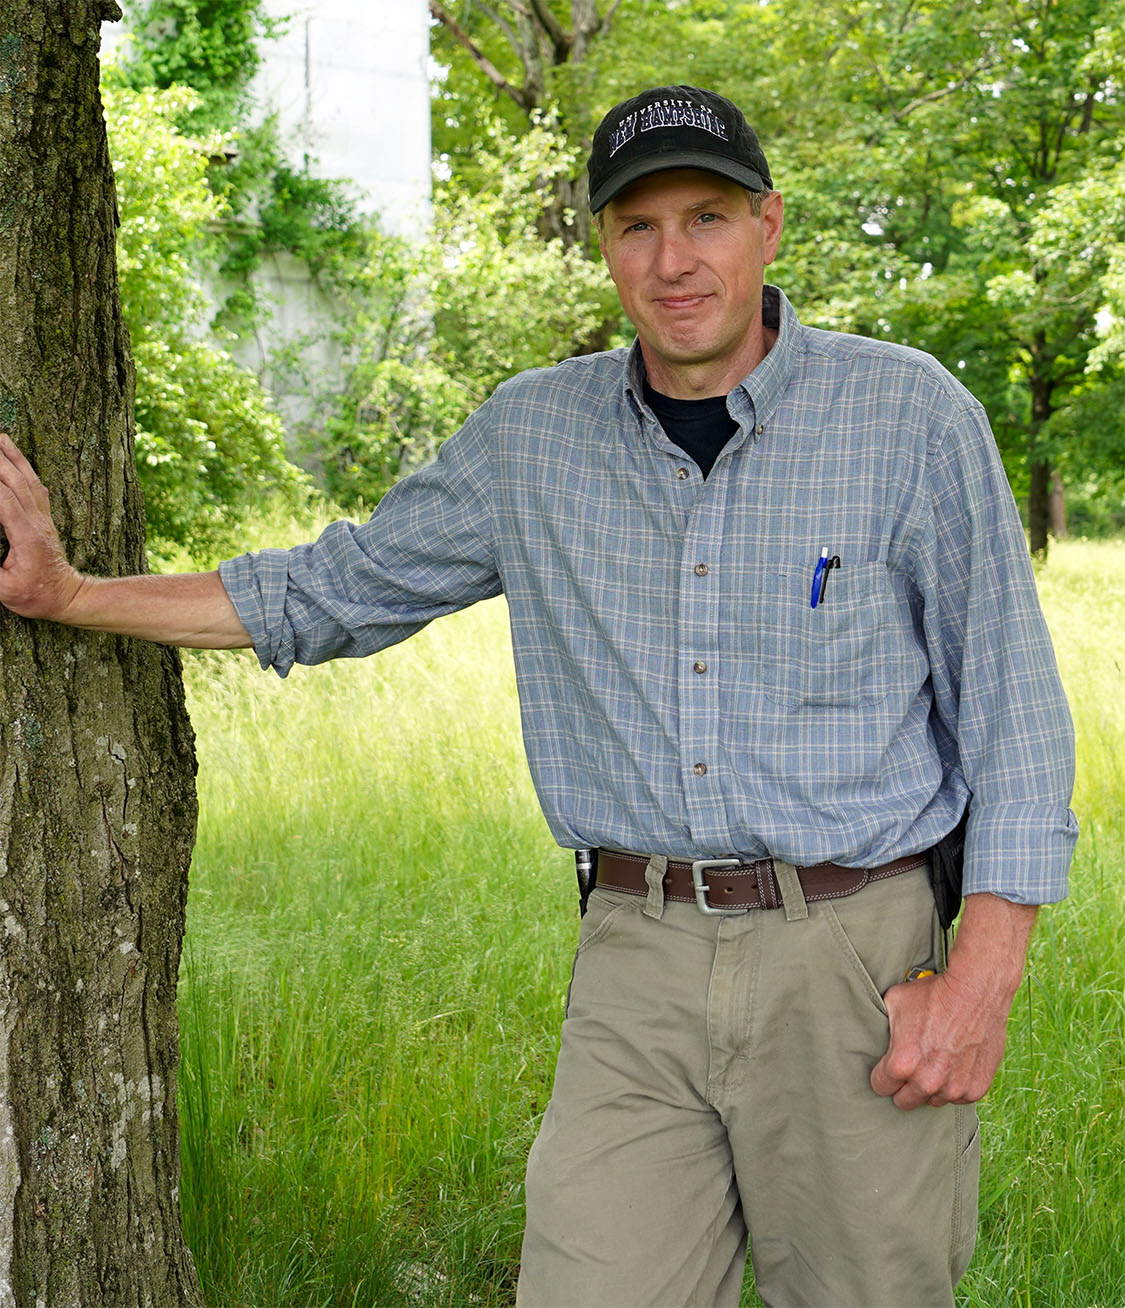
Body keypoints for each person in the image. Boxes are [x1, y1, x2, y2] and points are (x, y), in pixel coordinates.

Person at [0, 85, 1077, 1308]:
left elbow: (1018, 727)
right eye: (638, 226)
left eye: (708, 217)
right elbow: (332, 590)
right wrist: (71, 596)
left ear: (768, 226)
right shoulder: (532, 439)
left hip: (854, 955)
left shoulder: (909, 416)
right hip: (636, 956)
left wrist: (978, 988)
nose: (675, 262)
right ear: (603, 245)